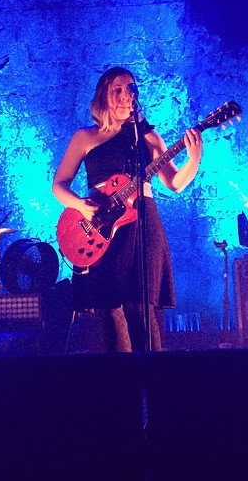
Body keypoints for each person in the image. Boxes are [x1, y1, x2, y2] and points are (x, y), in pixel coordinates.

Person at [52, 67, 203, 352]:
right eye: (117, 90)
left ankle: (154, 385)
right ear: (103, 95)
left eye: (130, 89)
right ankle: (120, 386)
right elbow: (59, 185)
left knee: (141, 308)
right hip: (101, 225)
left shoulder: (148, 137)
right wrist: (80, 205)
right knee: (109, 309)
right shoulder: (85, 137)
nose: (124, 97)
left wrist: (193, 159)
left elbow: (174, 183)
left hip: (143, 221)